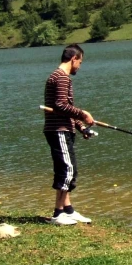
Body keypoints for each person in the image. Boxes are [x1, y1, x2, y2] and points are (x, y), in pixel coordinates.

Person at [44, 44, 95, 225]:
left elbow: (65, 111)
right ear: (74, 59)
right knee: (68, 170)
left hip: (62, 128)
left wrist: (81, 127)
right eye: (80, 62)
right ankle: (58, 215)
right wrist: (83, 113)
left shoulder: (58, 76)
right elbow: (60, 105)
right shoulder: (61, 78)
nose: (79, 66)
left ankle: (68, 210)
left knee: (66, 169)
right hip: (59, 130)